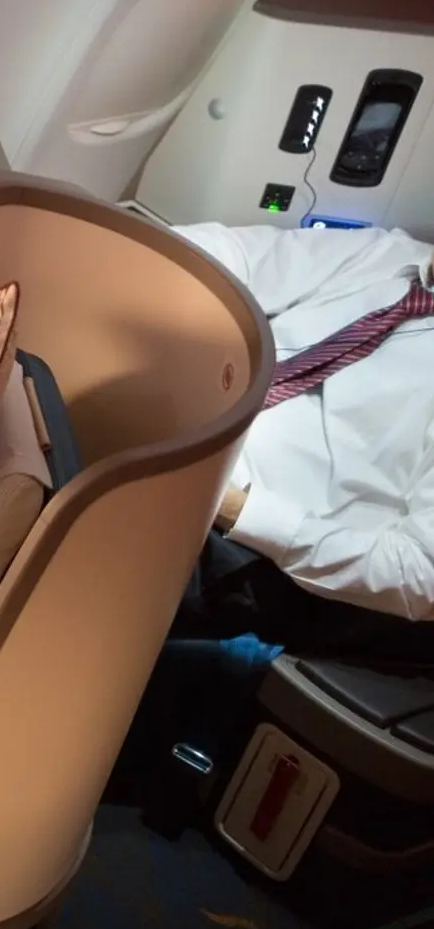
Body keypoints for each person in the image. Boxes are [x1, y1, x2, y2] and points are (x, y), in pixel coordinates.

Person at [173, 222, 434, 664]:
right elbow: (244, 254)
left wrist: (236, 508)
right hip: (184, 422)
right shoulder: (387, 253)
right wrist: (138, 258)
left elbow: (417, 573)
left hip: (253, 542)